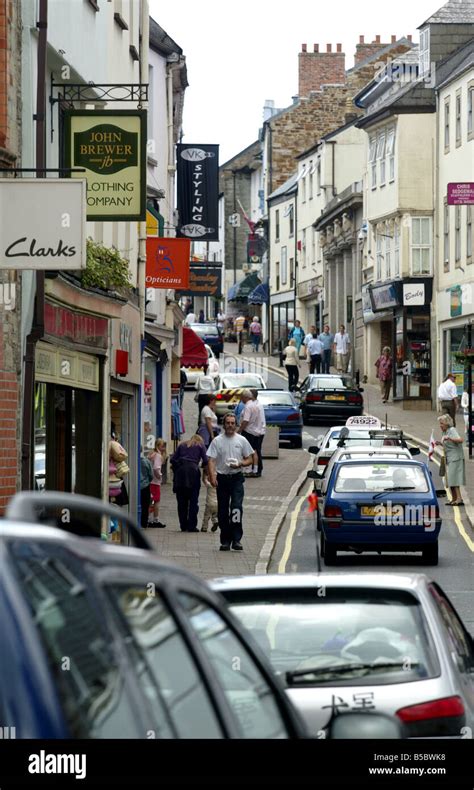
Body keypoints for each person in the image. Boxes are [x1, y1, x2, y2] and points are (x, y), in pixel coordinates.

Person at [206, 412, 254, 551]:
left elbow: (250, 458)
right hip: (222, 479)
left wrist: (240, 464)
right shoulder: (217, 441)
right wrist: (212, 476)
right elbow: (211, 460)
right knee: (222, 511)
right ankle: (225, 540)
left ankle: (236, 539)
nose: (230, 425)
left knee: (236, 508)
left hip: (237, 478)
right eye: (228, 423)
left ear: (236, 424)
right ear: (224, 424)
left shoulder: (242, 440)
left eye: (233, 423)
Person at [170, 435, 208, 532]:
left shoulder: (182, 445)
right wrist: (205, 471)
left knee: (181, 501)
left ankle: (183, 525)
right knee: (193, 501)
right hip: (193, 473)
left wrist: (177, 469)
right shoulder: (200, 445)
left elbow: (173, 459)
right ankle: (192, 526)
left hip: (180, 473)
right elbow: (206, 460)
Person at [437, 414, 465, 506]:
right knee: (450, 479)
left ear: (447, 423)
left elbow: (460, 440)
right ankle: (454, 499)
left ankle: (459, 499)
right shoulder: (444, 432)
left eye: (441, 423)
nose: (440, 425)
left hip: (456, 458)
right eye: (440, 423)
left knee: (454, 479)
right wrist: (439, 443)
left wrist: (450, 438)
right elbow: (447, 445)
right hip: (449, 458)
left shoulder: (452, 430)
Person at [239, 388, 266, 477]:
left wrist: (240, 430)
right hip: (257, 431)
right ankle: (255, 469)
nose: (241, 399)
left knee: (251, 451)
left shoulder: (249, 406)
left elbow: (246, 420)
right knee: (255, 450)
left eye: (241, 397)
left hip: (249, 431)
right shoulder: (256, 405)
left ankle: (250, 469)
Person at [148, 438, 167, 528]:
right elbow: (156, 468)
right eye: (162, 446)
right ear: (158, 446)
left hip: (150, 481)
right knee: (156, 501)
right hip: (155, 481)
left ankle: (149, 519)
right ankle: (155, 520)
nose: (164, 448)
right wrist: (160, 475)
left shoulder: (152, 454)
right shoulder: (158, 456)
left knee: (151, 501)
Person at [201, 469, 219, 533]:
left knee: (206, 516)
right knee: (214, 515)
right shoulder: (219, 486)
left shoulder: (209, 485)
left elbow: (204, 480)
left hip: (209, 504)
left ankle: (204, 528)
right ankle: (215, 522)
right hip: (217, 504)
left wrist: (204, 473)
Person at [140, 447, 153, 529]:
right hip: (145, 486)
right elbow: (151, 475)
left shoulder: (131, 461)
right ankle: (144, 523)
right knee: (145, 505)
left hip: (136, 486)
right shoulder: (146, 461)